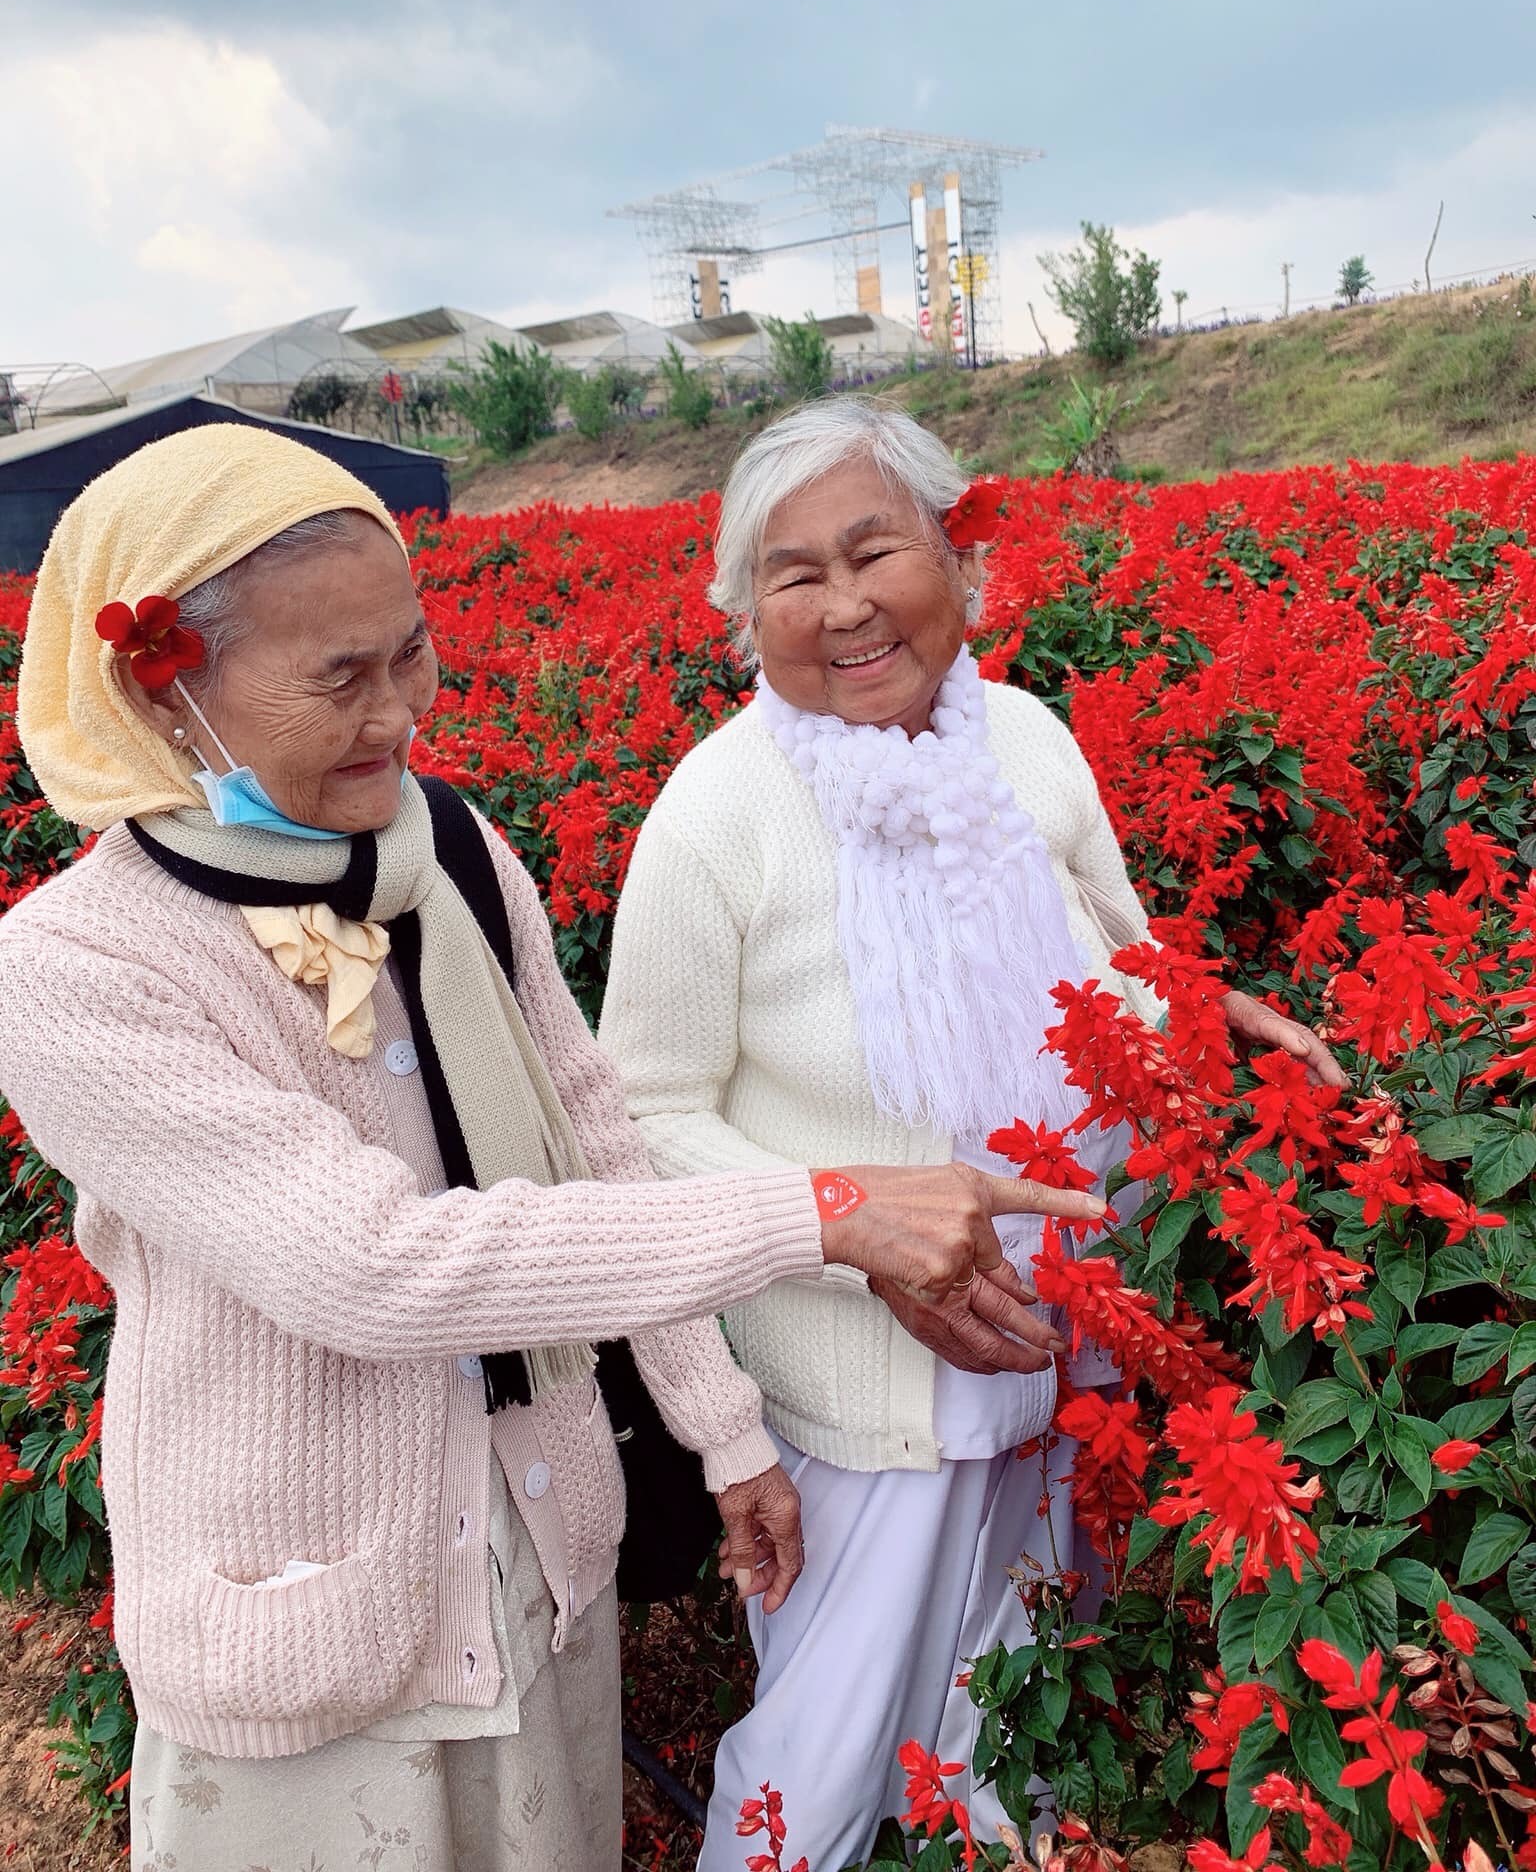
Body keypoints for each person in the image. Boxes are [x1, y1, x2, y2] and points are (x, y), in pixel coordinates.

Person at [0, 423, 1110, 1872]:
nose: (397, 715)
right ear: (166, 689)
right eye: (339, 678)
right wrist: (821, 1212)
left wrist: (719, 1431)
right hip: (316, 1618)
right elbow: (372, 1267)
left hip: (536, 1553)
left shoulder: (446, 849)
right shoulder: (75, 969)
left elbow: (592, 1138)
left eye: (410, 654)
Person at [598, 398, 1346, 1869]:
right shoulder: (717, 814)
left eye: (878, 551)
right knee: (822, 1756)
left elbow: (1118, 953)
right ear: (747, 611)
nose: (846, 603)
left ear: (961, 559)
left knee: (1026, 1724)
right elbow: (639, 1121)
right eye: (793, 572)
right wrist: (855, 1223)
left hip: (1072, 1332)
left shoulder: (1028, 736)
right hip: (868, 1394)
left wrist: (1213, 1011)